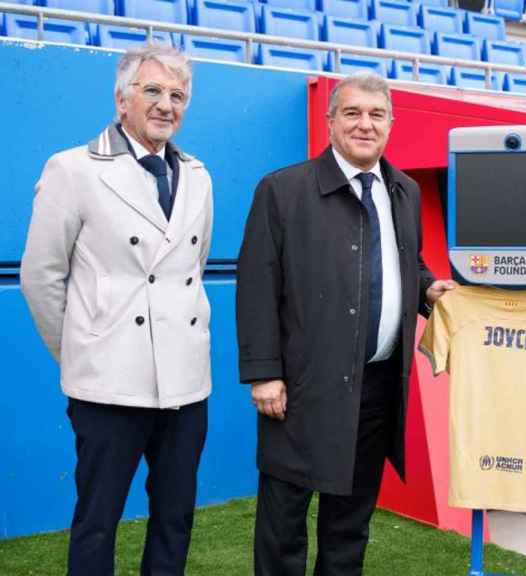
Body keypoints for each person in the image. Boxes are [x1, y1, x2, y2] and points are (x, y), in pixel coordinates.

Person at [236, 71, 456, 576]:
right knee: (283, 525)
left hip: (377, 389)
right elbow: (256, 286)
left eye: (377, 114)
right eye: (353, 113)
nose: (365, 124)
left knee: (349, 526)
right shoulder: (282, 190)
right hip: (299, 388)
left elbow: (408, 261)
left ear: (391, 124)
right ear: (331, 120)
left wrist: (427, 289)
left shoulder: (400, 189)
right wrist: (264, 373)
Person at [20, 45, 212, 575]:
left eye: (177, 95)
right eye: (152, 91)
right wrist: (84, 351)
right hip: (107, 384)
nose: (165, 105)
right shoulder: (73, 169)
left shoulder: (198, 175)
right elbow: (41, 277)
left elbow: (188, 267)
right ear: (121, 98)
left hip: (185, 384)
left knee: (175, 519)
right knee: (97, 521)